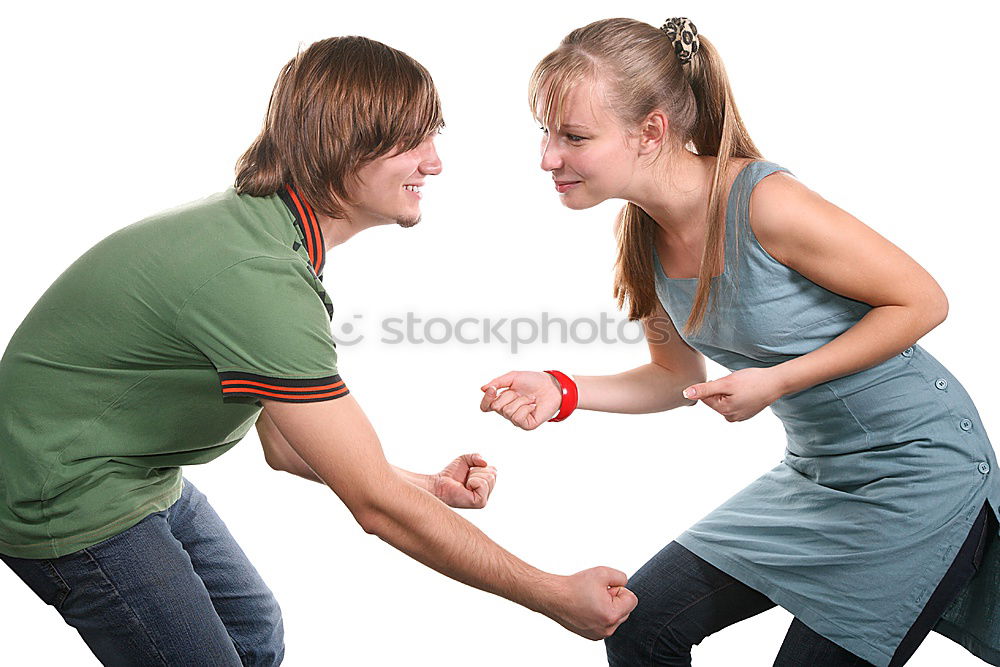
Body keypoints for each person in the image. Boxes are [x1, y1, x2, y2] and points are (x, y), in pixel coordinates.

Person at [0, 35, 637, 665]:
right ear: (340, 146)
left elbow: (285, 447)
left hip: (130, 469)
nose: (434, 162)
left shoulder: (267, 232)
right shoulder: (256, 279)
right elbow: (375, 507)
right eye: (410, 141)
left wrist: (428, 488)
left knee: (255, 636)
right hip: (60, 490)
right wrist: (555, 596)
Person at [479, 16, 1000, 667]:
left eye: (574, 136)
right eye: (546, 133)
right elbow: (673, 374)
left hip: (920, 470)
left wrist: (778, 380)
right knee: (641, 627)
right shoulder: (641, 235)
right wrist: (561, 389)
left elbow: (923, 299)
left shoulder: (764, 203)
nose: (548, 157)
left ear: (651, 132)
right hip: (819, 475)